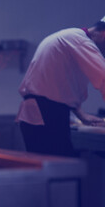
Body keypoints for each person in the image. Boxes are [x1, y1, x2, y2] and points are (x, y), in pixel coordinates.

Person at [16, 16, 105, 157]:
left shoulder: (70, 37)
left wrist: (80, 114)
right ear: (103, 34)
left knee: (54, 171)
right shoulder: (80, 41)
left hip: (40, 114)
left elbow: (60, 84)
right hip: (46, 115)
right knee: (60, 170)